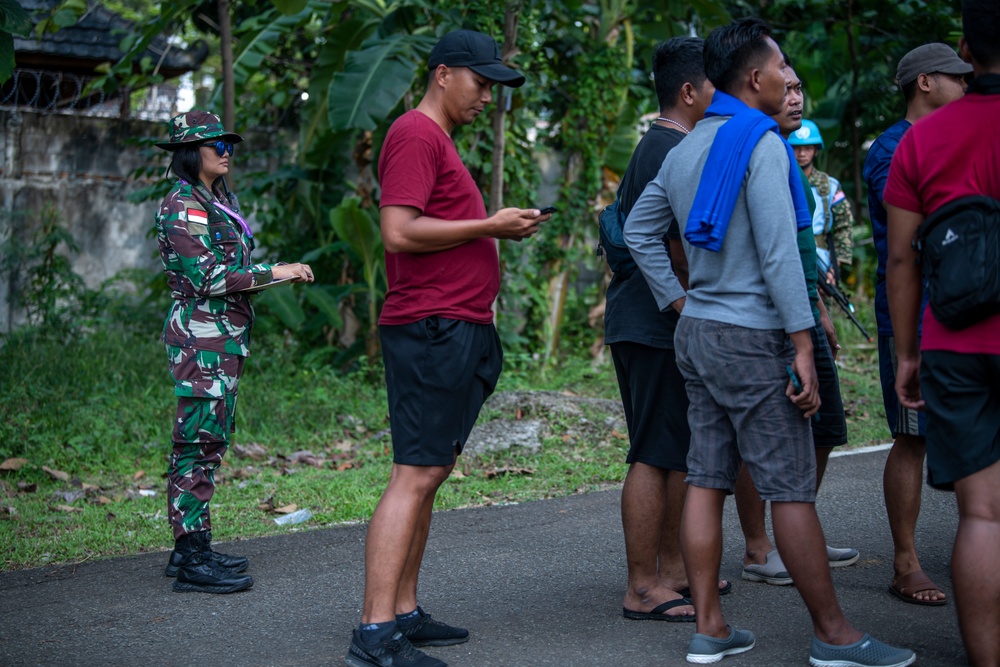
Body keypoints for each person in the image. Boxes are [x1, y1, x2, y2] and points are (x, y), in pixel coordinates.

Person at [625, 18, 915, 666]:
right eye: (782, 67)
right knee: (787, 485)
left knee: (705, 477)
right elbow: (784, 253)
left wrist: (680, 299)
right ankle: (835, 634)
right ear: (754, 77)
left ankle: (711, 627)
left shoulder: (686, 148)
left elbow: (637, 231)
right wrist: (804, 343)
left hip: (697, 334)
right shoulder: (758, 145)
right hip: (754, 336)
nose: (790, 78)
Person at [345, 30, 549, 667]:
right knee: (414, 474)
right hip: (430, 329)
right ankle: (374, 632)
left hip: (455, 327)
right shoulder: (414, 133)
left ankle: (403, 610)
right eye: (480, 83)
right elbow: (398, 233)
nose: (487, 96)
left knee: (431, 473)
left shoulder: (439, 141)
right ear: (442, 74)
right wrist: (490, 224)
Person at [154, 110, 314, 594]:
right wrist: (276, 271)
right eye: (215, 145)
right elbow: (207, 277)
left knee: (209, 442)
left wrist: (266, 274)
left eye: (229, 145)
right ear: (190, 152)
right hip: (201, 339)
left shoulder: (217, 200)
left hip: (222, 338)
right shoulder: (183, 206)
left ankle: (193, 546)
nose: (227, 152)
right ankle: (190, 559)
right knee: (196, 445)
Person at [885, 0, 1000, 662]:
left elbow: (903, 258)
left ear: (966, 48)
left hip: (953, 340)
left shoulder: (922, 140)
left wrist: (908, 352)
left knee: (982, 513)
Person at [606, 37, 723, 624]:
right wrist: (690, 302)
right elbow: (672, 246)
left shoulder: (666, 143)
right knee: (652, 452)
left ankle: (673, 570)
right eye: (715, 87)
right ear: (688, 92)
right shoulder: (664, 148)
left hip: (653, 317)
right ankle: (642, 585)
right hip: (650, 319)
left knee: (675, 448)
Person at [734, 59, 858, 589]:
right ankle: (760, 546)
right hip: (770, 319)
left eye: (799, 88)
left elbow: (804, 251)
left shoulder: (793, 160)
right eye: (784, 88)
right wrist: (798, 330)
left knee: (824, 425)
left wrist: (819, 311)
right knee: (761, 433)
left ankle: (797, 530)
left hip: (806, 306)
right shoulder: (756, 150)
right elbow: (774, 254)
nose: (795, 97)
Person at [863, 42, 970, 607]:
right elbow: (913, 232)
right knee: (912, 437)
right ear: (925, 82)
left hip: (965, 310)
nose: (966, 85)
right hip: (913, 316)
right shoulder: (891, 149)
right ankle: (905, 562)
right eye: (957, 77)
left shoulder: (954, 136)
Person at [789, 119, 857, 285]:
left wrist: (836, 265)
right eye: (796, 148)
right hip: (788, 257)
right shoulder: (780, 180)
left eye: (807, 148)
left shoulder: (829, 186)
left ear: (816, 151)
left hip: (821, 260)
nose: (802, 154)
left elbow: (844, 226)